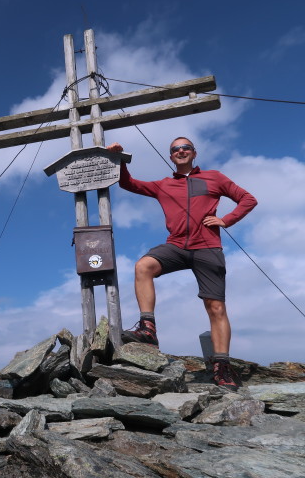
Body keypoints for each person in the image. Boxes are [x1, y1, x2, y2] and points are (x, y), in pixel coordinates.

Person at [107, 138, 257, 390]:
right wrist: (120, 159)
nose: (180, 151)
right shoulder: (163, 184)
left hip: (208, 247)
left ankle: (222, 367)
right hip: (176, 245)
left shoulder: (214, 177)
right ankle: (148, 329)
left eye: (185, 147)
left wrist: (226, 220)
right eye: (175, 149)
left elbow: (248, 199)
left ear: (194, 153)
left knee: (216, 308)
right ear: (171, 156)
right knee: (143, 266)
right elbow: (127, 183)